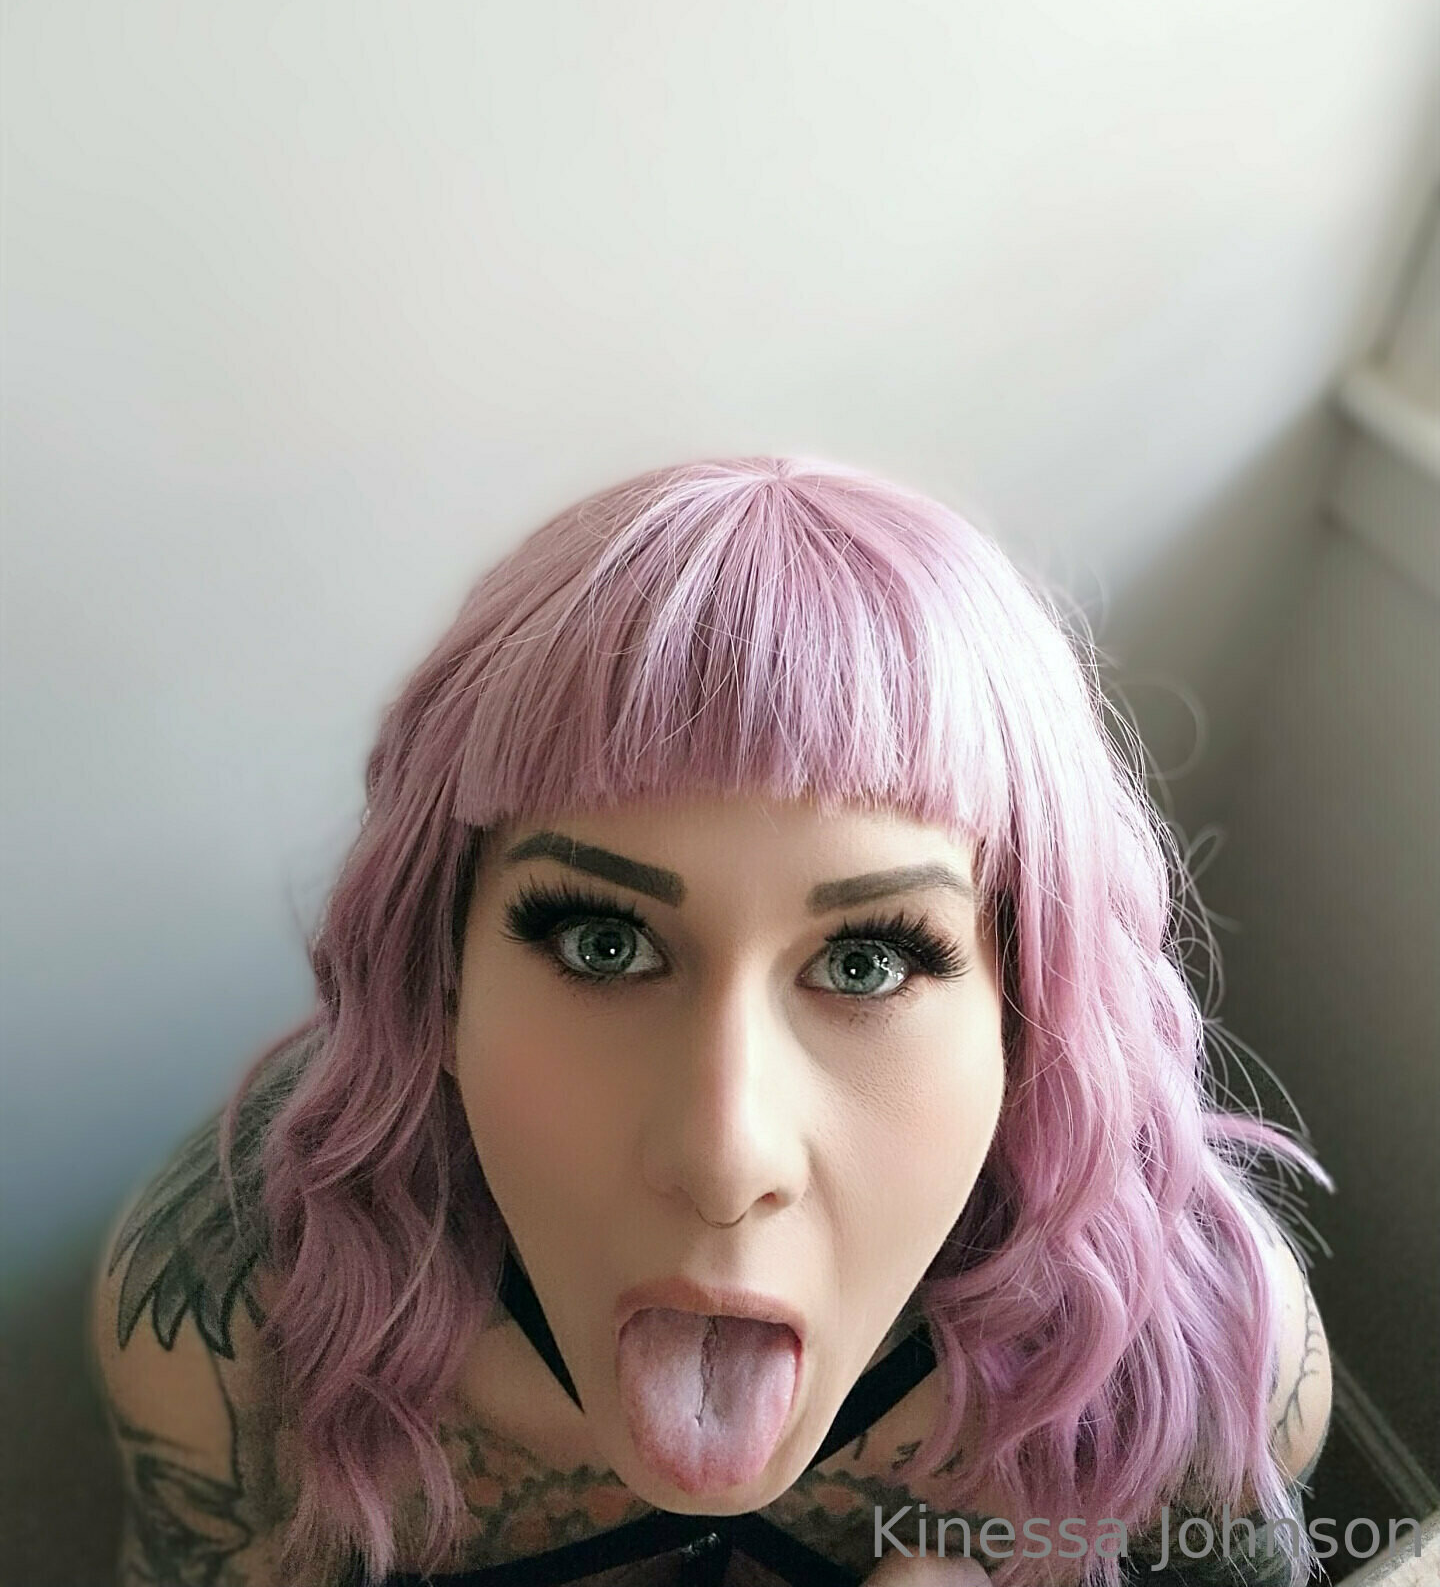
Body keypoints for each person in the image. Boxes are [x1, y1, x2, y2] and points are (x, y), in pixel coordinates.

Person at [89, 455, 1333, 1587]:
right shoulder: (238, 1330)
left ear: (1028, 1013)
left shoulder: (1205, 1367)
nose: (725, 1156)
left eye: (866, 963)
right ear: (441, 975)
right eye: (604, 943)